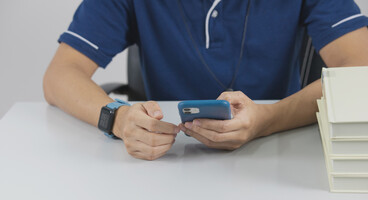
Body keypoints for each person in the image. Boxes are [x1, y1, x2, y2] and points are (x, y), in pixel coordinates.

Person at [43, 0, 368, 160]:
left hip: (278, 154)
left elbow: (361, 68)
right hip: (163, 164)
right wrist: (118, 117)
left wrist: (267, 120)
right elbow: (60, 75)